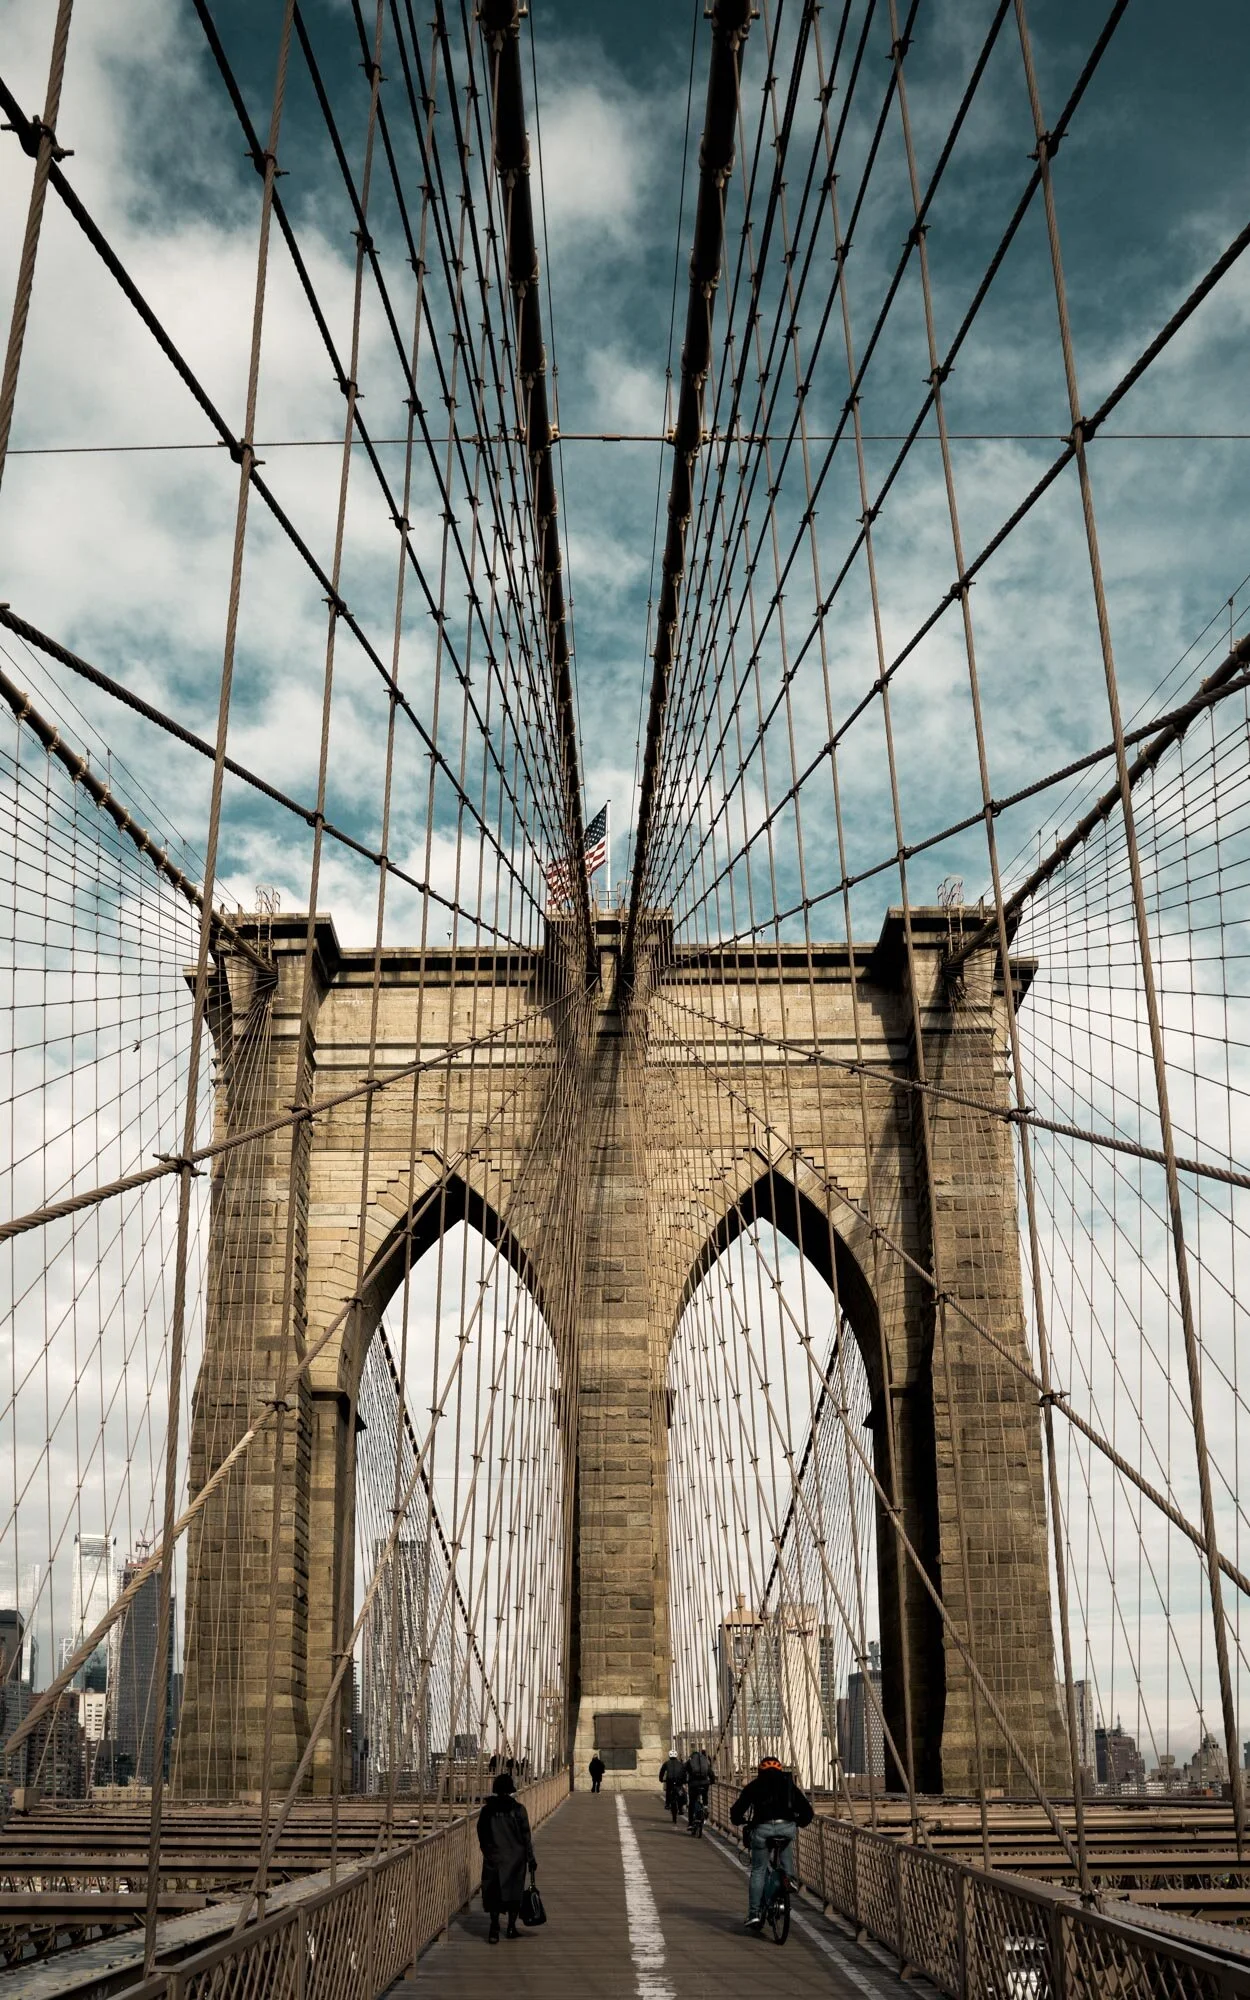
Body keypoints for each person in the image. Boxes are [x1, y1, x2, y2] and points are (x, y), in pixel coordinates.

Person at [729, 1756, 814, 1932]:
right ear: (780, 1770)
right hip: (786, 1828)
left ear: (760, 1771)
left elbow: (737, 1810)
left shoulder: (754, 1786)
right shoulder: (789, 1785)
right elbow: (807, 1812)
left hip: (763, 1830)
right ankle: (788, 1877)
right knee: (785, 1845)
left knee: (759, 1870)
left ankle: (754, 1913)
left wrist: (739, 1820)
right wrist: (797, 1823)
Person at [476, 1771, 537, 1943]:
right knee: (514, 1893)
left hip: (494, 1858)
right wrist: (530, 1858)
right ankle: (511, 1928)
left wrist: (487, 1850)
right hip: (516, 1859)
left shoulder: (487, 1811)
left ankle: (494, 1928)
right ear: (510, 1789)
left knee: (493, 1893)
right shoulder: (518, 1810)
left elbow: (482, 1832)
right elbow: (526, 1836)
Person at [683, 1745, 714, 1826]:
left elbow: (683, 1770)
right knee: (704, 1796)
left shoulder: (690, 1761)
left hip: (693, 1784)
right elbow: (711, 1773)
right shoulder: (705, 1761)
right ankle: (705, 1807)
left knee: (692, 1803)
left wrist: (684, 1780)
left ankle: (690, 1824)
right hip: (705, 1784)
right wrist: (712, 1781)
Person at [658, 1749, 686, 1819]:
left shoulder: (666, 1763)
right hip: (679, 1782)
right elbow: (684, 1773)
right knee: (681, 1793)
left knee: (668, 1791)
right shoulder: (680, 1763)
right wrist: (684, 1780)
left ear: (669, 1756)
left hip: (670, 1781)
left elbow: (662, 1772)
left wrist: (661, 1779)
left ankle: (667, 1804)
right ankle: (681, 1808)